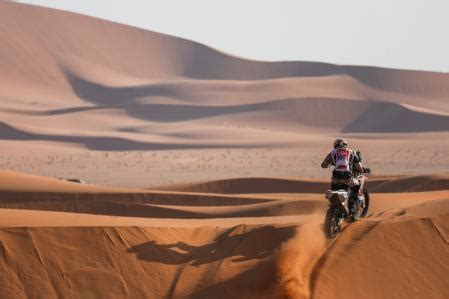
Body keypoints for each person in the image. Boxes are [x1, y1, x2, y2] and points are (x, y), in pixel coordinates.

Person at [321, 138, 364, 212]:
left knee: (333, 190)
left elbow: (324, 165)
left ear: (335, 145)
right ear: (345, 144)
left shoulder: (332, 153)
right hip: (348, 178)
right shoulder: (352, 152)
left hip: (335, 178)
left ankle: (335, 206)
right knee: (358, 186)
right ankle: (352, 210)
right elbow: (359, 168)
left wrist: (333, 163)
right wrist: (361, 170)